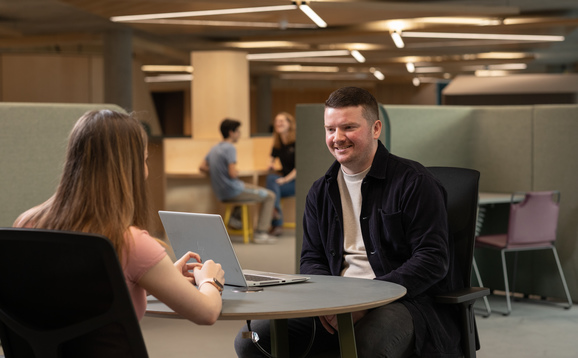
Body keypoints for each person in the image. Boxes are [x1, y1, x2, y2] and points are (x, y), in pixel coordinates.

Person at [234, 87, 462, 357]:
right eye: (330, 129)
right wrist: (326, 303)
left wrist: (367, 300)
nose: (337, 138)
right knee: (253, 340)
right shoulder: (320, 191)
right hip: (336, 301)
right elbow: (311, 258)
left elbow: (432, 258)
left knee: (365, 345)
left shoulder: (415, 183)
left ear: (375, 128)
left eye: (348, 127)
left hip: (403, 301)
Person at [14, 109, 225, 327]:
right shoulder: (131, 243)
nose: (146, 171)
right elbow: (207, 313)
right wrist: (210, 280)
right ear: (129, 170)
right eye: (144, 161)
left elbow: (75, 299)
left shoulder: (27, 223)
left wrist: (162, 276)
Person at [199, 118, 277, 244]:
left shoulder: (214, 148)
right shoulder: (230, 148)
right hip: (233, 190)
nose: (239, 134)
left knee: (253, 189)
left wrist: (217, 171)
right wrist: (234, 172)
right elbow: (232, 173)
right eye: (238, 131)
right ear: (231, 132)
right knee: (270, 196)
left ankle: (235, 218)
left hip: (221, 192)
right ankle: (261, 233)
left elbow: (202, 167)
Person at [266, 112, 297, 236]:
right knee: (272, 180)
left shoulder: (296, 142)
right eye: (276, 121)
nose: (278, 123)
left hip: (295, 182)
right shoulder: (278, 143)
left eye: (282, 121)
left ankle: (277, 221)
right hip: (284, 181)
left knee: (273, 185)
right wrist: (271, 164)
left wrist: (285, 180)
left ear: (289, 124)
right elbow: (271, 157)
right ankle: (276, 217)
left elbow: (299, 168)